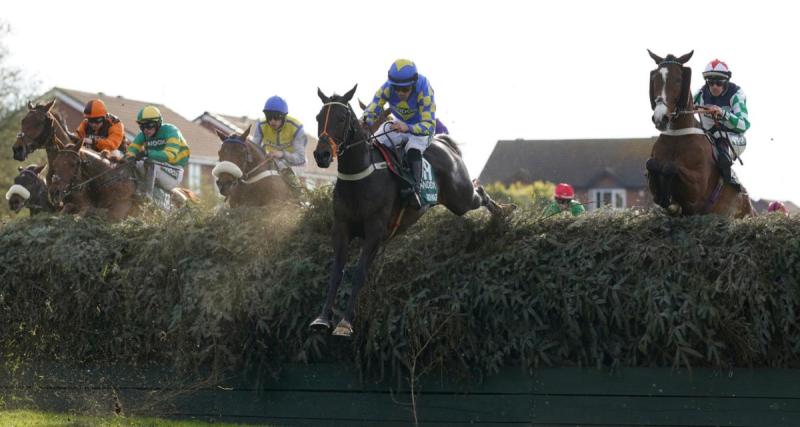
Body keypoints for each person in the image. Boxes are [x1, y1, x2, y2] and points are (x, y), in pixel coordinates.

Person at [363, 59, 436, 209]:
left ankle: (415, 190)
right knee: (374, 142)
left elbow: (429, 125)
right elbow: (372, 109)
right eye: (397, 89)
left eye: (405, 89)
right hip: (399, 125)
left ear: (414, 83)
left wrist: (407, 127)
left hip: (421, 130)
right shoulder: (386, 88)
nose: (400, 93)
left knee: (412, 149)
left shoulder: (424, 88)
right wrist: (364, 122)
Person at [693, 59, 750, 191]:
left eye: (719, 82)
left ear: (726, 82)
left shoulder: (736, 94)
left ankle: (729, 183)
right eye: (711, 82)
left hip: (733, 137)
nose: (714, 86)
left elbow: (744, 125)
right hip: (707, 134)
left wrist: (724, 114)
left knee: (722, 156)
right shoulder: (701, 93)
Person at [126, 106, 190, 200]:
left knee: (149, 161)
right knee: (132, 164)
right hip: (156, 167)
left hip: (174, 171)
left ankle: (148, 196)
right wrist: (130, 157)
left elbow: (170, 155)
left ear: (158, 123)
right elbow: (132, 149)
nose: (145, 130)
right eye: (142, 126)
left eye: (149, 125)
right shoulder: (143, 135)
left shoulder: (171, 131)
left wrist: (147, 153)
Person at [252, 95, 307, 194]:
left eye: (276, 117)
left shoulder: (296, 128)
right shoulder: (261, 125)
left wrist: (282, 154)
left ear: (284, 117)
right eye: (269, 117)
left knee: (282, 165)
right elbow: (253, 150)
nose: (272, 121)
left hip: (293, 163)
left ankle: (300, 198)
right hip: (270, 160)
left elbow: (301, 159)